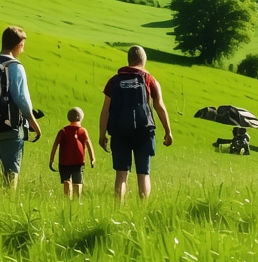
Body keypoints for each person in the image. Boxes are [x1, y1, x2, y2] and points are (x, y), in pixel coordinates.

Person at [99, 45, 173, 201]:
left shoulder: (114, 81)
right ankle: (143, 208)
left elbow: (105, 110)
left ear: (129, 60)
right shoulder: (149, 79)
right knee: (143, 173)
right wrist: (168, 131)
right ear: (143, 60)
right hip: (144, 131)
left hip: (119, 131)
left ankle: (118, 208)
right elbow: (159, 106)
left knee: (121, 174)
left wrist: (102, 134)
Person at [0, 25, 41, 187]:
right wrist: (34, 124)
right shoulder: (15, 67)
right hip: (8, 126)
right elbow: (21, 99)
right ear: (19, 45)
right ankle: (8, 199)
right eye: (23, 46)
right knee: (11, 171)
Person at [49, 106, 95, 199]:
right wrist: (92, 158)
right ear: (80, 118)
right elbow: (89, 145)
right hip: (78, 162)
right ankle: (76, 200)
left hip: (64, 162)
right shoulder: (83, 131)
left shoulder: (63, 131)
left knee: (66, 181)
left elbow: (55, 145)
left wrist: (51, 159)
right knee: (77, 182)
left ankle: (67, 198)